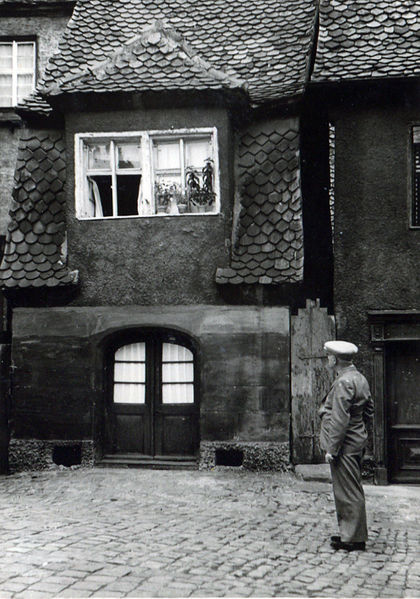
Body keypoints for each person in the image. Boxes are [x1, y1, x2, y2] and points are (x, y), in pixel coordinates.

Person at [319, 340, 374, 551]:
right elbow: (369, 412)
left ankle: (353, 538)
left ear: (335, 359)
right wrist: (361, 434)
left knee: (347, 491)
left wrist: (332, 449)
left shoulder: (343, 382)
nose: (328, 359)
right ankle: (351, 533)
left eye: (329, 356)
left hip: (345, 445)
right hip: (355, 440)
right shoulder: (360, 378)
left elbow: (339, 419)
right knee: (352, 487)